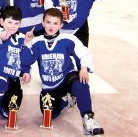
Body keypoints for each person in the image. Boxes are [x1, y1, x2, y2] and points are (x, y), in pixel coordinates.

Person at [20, 8, 105, 136]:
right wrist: (26, 43)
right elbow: (26, 60)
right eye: (48, 22)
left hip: (67, 77)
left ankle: (88, 119)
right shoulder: (36, 42)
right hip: (50, 85)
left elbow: (84, 54)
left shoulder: (68, 39)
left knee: (81, 83)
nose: (51, 26)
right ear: (43, 23)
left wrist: (83, 67)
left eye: (55, 23)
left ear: (61, 25)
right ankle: (66, 99)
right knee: (49, 114)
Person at [0, 6, 32, 132]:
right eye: (9, 22)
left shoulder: (23, 38)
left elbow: (26, 60)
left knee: (7, 112)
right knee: (1, 82)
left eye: (16, 23)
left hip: (14, 81)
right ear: (2, 22)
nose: (12, 26)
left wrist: (26, 71)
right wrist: (2, 36)